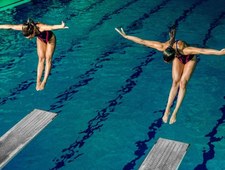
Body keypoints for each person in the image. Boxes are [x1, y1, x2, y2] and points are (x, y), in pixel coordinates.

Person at [115, 27, 225, 124]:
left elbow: (202, 51)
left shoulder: (186, 50)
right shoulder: (162, 46)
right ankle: (167, 110)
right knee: (175, 82)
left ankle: (175, 112)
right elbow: (143, 41)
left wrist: (219, 52)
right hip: (178, 56)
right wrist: (126, 36)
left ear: (172, 57)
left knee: (182, 83)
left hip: (189, 58)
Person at [0, 19, 68, 91]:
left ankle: (44, 81)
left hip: (50, 39)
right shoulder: (25, 28)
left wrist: (61, 26)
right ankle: (38, 82)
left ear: (32, 33)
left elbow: (51, 27)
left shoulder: (40, 27)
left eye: (29, 37)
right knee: (41, 59)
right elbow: (11, 27)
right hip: (41, 39)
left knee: (48, 59)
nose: (29, 39)